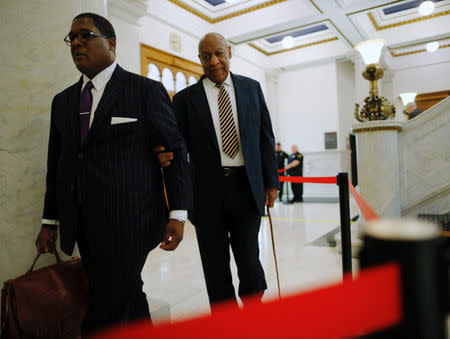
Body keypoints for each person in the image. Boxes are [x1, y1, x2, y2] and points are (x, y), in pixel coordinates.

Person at [34, 13, 190, 336]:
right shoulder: (62, 102)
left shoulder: (144, 91)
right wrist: (50, 220)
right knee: (127, 296)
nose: (76, 42)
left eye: (85, 35)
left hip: (131, 221)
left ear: (111, 44)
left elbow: (174, 154)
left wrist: (177, 213)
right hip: (82, 222)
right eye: (71, 37)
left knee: (106, 305)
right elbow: (58, 165)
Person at [157, 33, 279, 308]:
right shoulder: (186, 100)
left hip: (246, 188)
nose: (213, 61)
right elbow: (177, 146)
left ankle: (253, 306)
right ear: (199, 60)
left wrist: (271, 182)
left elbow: (264, 137)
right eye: (205, 56)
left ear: (229, 53)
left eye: (218, 54)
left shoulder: (252, 89)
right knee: (214, 262)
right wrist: (163, 153)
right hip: (206, 193)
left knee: (249, 257)